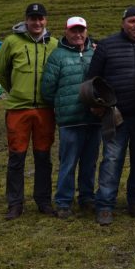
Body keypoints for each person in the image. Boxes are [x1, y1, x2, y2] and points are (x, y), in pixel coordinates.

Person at [87, 5, 135, 226]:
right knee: (111, 160)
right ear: (123, 23)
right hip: (115, 114)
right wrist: (98, 105)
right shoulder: (107, 46)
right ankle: (105, 206)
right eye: (132, 21)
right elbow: (92, 79)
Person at [0, 3, 58, 220]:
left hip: (45, 110)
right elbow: (1, 71)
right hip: (18, 109)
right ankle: (15, 203)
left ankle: (43, 201)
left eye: (41, 18)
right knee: (16, 158)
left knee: (43, 157)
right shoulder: (12, 42)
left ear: (46, 20)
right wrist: (16, 91)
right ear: (26, 20)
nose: (37, 22)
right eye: (33, 18)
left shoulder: (54, 44)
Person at [41, 16, 100, 219]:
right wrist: (61, 106)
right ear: (66, 32)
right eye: (73, 30)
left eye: (81, 30)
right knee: (68, 162)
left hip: (94, 118)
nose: (78, 34)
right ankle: (64, 202)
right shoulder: (57, 56)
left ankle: (87, 198)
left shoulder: (96, 52)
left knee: (90, 162)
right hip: (70, 119)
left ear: (86, 31)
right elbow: (47, 89)